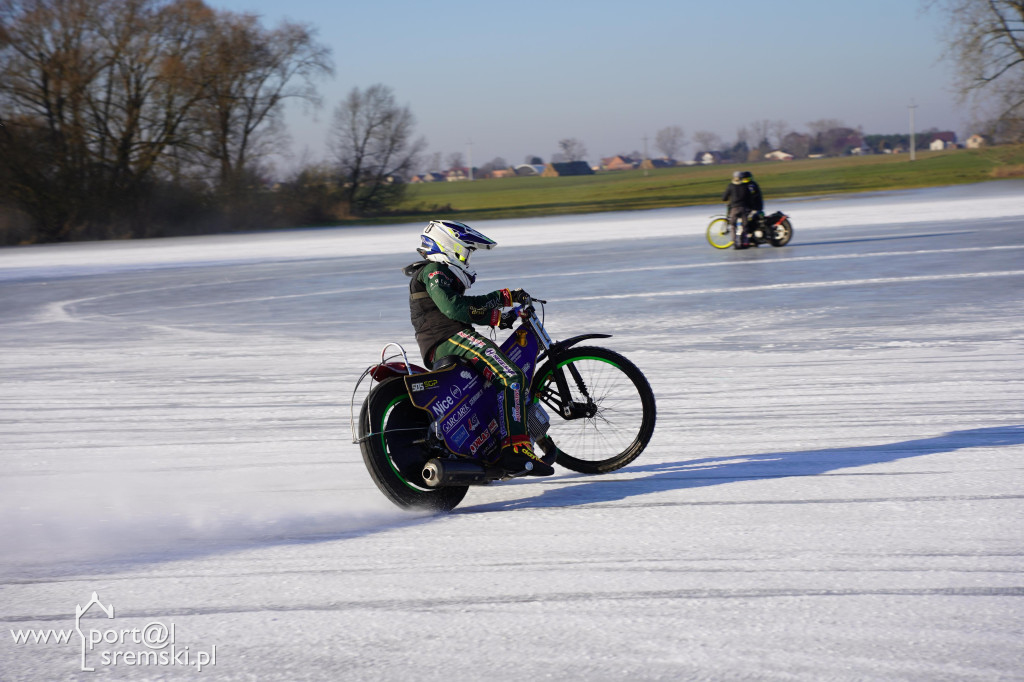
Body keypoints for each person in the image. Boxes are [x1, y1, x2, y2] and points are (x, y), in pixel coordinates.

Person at [403, 219, 554, 476]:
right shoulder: (433, 271)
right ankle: (515, 449)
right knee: (511, 376)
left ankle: (496, 445)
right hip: (449, 338)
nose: (467, 259)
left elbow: (466, 302)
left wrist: (506, 297)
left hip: (447, 339)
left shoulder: (438, 274)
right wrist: (496, 318)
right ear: (449, 246)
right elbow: (454, 308)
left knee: (496, 382)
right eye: (465, 251)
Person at [722, 170, 763, 249]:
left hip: (734, 208)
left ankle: (735, 243)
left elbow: (724, 197)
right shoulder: (746, 186)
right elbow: (750, 198)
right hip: (744, 208)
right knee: (745, 225)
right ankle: (746, 242)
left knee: (733, 225)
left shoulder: (731, 185)